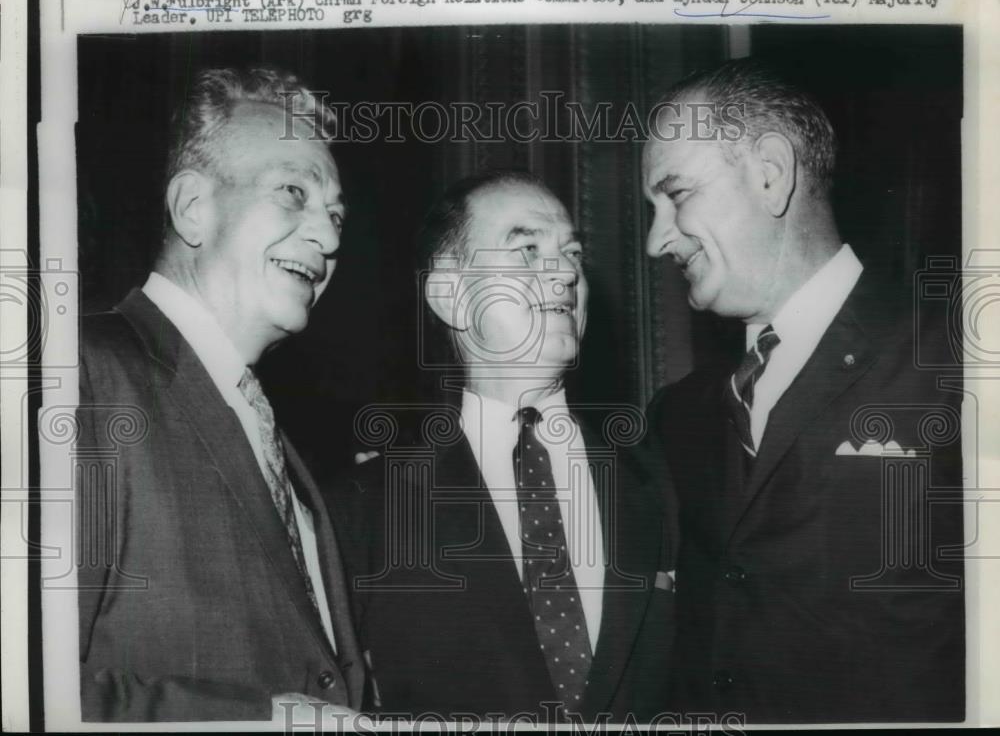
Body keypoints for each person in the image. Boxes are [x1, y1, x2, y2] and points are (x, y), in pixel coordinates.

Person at [641, 58, 964, 723]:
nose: (655, 239)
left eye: (675, 196)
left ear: (770, 173)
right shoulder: (679, 416)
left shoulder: (956, 363)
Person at [77, 67, 366, 722]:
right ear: (192, 209)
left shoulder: (280, 445)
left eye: (337, 215)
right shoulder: (82, 374)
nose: (329, 237)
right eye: (294, 192)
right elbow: (26, 688)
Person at [337, 172, 674, 723]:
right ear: (450, 294)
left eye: (572, 254)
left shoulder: (662, 476)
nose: (565, 272)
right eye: (528, 250)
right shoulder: (361, 508)